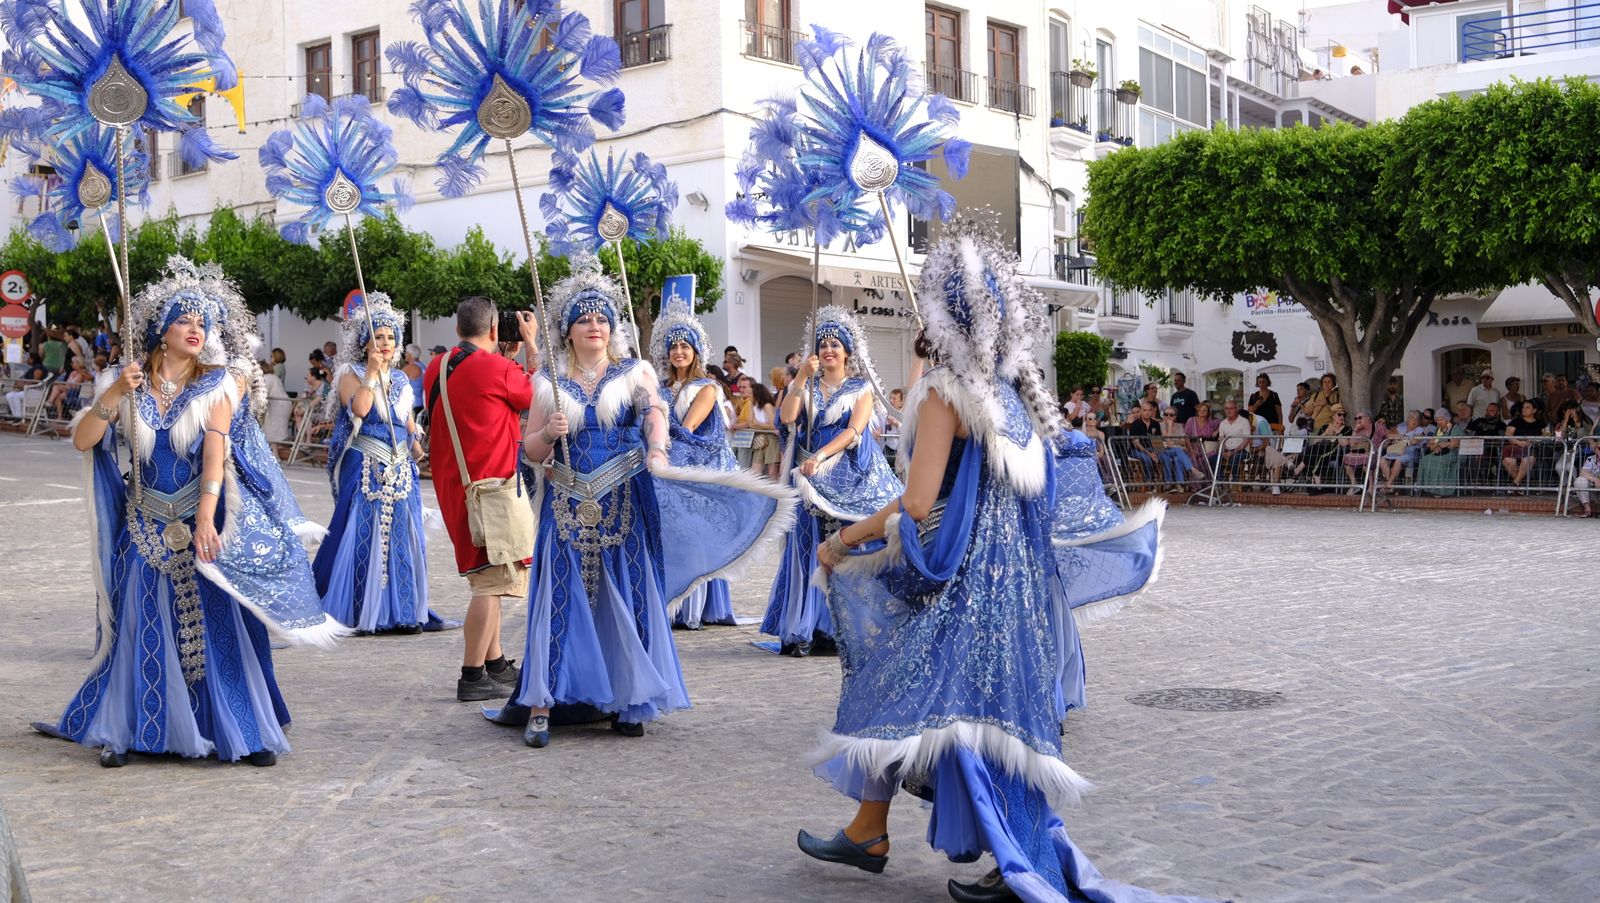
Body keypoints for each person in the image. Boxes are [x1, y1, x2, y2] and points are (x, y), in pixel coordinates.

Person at [798, 220, 1211, 903]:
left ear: (935, 316)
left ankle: (971, 846)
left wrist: (844, 541)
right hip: (1012, 600)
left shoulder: (944, 396)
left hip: (958, 596)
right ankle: (873, 824)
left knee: (889, 684)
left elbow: (918, 501)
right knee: (968, 716)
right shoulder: (1013, 400)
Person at [33, 257, 342, 768]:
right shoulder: (122, 381)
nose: (196, 330)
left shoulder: (218, 384)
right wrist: (114, 393)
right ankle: (132, 731)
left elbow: (216, 454)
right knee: (143, 624)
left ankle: (238, 731)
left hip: (200, 519)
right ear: (161, 330)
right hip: (142, 523)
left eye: (203, 322)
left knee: (218, 624)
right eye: (185, 320)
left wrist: (205, 517)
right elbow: (84, 441)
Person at [490, 261, 794, 747]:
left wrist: (657, 448)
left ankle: (629, 701)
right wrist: (548, 433)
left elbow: (654, 412)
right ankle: (544, 703)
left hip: (624, 498)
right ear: (567, 330)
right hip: (566, 502)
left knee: (627, 596)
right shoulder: (548, 380)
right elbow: (530, 451)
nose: (595, 325)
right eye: (585, 318)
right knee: (558, 598)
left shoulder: (635, 372)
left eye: (603, 318)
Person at [762, 305, 902, 657]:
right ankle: (807, 625)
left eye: (834, 345)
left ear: (847, 352)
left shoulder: (860, 389)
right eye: (822, 344)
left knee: (845, 546)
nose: (828, 350)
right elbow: (789, 419)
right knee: (806, 546)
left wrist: (822, 457)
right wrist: (797, 380)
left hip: (845, 475)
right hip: (807, 480)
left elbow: (855, 431)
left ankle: (842, 624)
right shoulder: (806, 385)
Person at [423, 296, 540, 701]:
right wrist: (530, 343)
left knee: (486, 575)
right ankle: (472, 675)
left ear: (458, 329)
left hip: (456, 486)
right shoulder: (498, 368)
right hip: (491, 490)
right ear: (494, 330)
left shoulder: (437, 366)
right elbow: (536, 395)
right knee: (490, 584)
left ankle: (495, 663)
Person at [313, 294, 436, 636]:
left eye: (391, 337)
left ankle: (403, 611)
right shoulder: (348, 373)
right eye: (378, 336)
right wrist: (370, 372)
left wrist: (415, 443)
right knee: (364, 534)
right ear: (365, 341)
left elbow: (405, 416)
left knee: (402, 535)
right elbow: (361, 409)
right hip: (367, 462)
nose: (385, 343)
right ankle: (360, 609)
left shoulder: (399, 378)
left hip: (401, 465)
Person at [652, 294, 739, 630]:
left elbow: (688, 429)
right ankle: (676, 603)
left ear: (696, 351)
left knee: (695, 536)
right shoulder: (660, 387)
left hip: (699, 467)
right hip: (669, 464)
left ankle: (694, 610)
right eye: (673, 347)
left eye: (685, 347)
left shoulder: (707, 387)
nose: (678, 352)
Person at [1377, 410, 1426, 494]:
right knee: (1382, 460)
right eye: (1412, 418)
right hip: (1396, 451)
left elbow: (1415, 440)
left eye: (1416, 419)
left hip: (1410, 453)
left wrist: (1402, 438)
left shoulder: (1419, 429)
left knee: (1398, 461)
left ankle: (1389, 485)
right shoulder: (1401, 427)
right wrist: (1402, 436)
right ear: (1407, 419)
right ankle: (1392, 485)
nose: (1414, 421)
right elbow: (1389, 435)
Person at [1501, 401, 1546, 493]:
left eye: (1527, 407)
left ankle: (1516, 484)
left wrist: (1533, 441)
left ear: (1534, 410)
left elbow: (1545, 435)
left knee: (1527, 459)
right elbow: (1508, 434)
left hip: (1531, 449)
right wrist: (1519, 442)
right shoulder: (1516, 421)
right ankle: (1520, 484)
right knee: (1508, 461)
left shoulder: (1540, 423)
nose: (1524, 409)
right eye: (1523, 407)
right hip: (1515, 448)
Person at [1416, 409, 1463, 496]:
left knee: (1439, 462)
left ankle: (1441, 490)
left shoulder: (1455, 428)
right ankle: (1425, 488)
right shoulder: (1438, 429)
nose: (1439, 422)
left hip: (1454, 453)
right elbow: (1430, 443)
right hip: (1439, 453)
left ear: (1447, 419)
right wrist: (1434, 446)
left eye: (1441, 419)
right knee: (1425, 459)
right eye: (1437, 420)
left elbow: (1457, 443)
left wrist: (1444, 444)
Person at [258, 358, 293, 443]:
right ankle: (275, 453)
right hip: (284, 403)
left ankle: (273, 453)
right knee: (274, 430)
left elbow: (263, 394)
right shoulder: (273, 376)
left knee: (272, 430)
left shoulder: (265, 378)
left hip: (277, 405)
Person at [400, 343, 425, 414]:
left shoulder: (411, 367)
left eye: (406, 353)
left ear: (410, 355)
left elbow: (395, 378)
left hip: (414, 405)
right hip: (421, 404)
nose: (405, 354)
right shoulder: (422, 365)